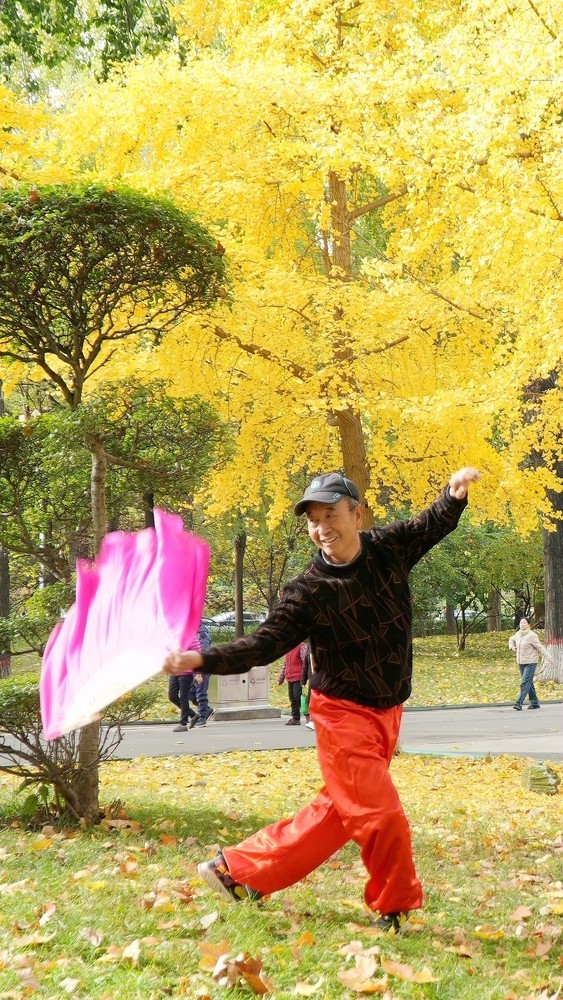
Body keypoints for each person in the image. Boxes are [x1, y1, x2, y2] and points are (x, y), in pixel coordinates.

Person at [163, 467, 479, 932]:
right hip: (342, 714)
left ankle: (237, 871)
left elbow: (431, 524)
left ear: (357, 515)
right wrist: (200, 659)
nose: (322, 527)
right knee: (380, 814)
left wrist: (453, 496)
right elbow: (263, 644)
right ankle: (394, 905)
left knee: (337, 813)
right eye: (313, 520)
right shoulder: (308, 590)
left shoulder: (387, 548)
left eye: (331, 515)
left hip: (388, 709)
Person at [509, 617, 551, 711]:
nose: (522, 624)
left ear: (529, 625)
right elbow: (511, 639)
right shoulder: (518, 634)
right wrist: (512, 647)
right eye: (521, 623)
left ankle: (518, 703)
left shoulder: (532, 636)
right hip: (521, 662)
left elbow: (540, 647)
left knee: (524, 683)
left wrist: (548, 657)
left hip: (531, 662)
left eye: (524, 623)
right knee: (529, 683)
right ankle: (535, 703)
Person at [277, 641, 309, 725]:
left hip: (299, 677)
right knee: (292, 698)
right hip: (290, 677)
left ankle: (308, 715)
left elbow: (306, 662)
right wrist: (281, 678)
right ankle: (295, 718)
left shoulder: (301, 647)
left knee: (298, 697)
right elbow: (285, 665)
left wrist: (305, 676)